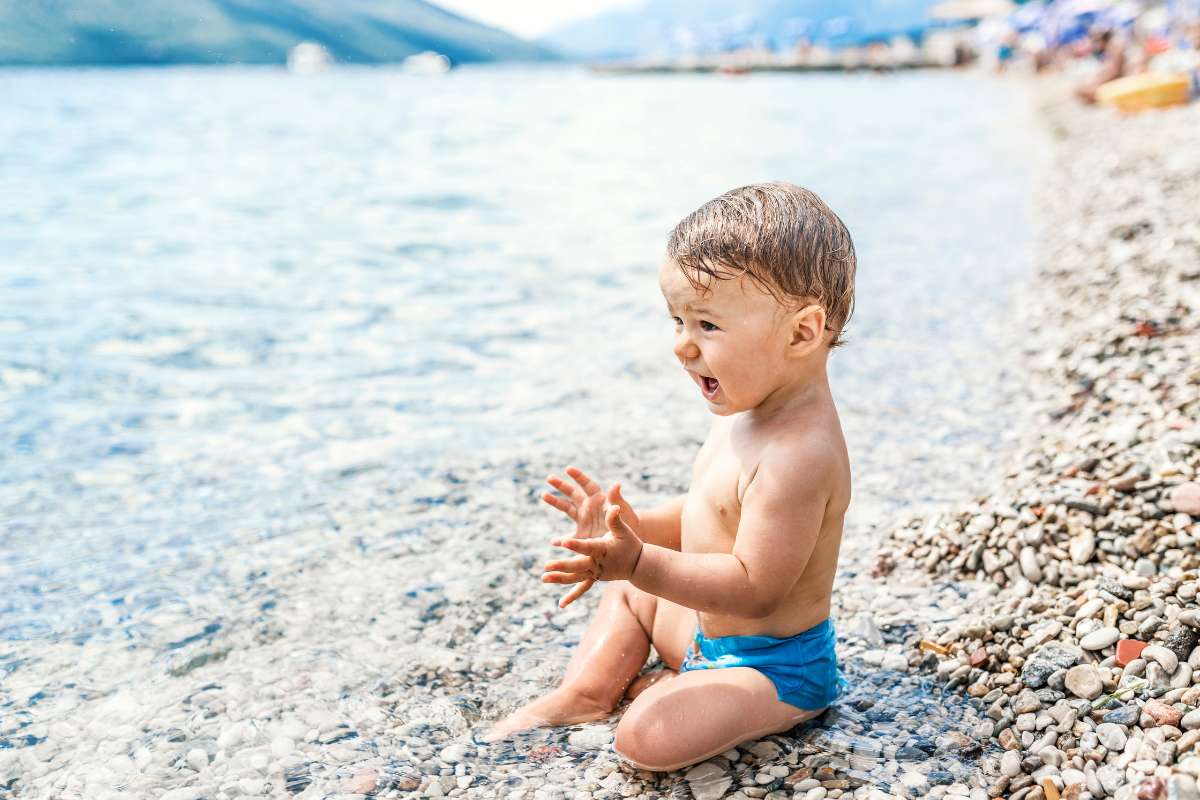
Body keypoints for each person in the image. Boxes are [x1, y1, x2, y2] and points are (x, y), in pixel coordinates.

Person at [486, 182, 855, 772]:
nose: (683, 346)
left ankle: (681, 697)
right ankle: (586, 693)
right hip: (708, 637)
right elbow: (708, 516)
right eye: (677, 320)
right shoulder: (746, 410)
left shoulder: (800, 454)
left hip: (774, 667)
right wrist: (630, 531)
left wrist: (639, 561)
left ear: (802, 333)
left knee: (646, 739)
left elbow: (756, 586)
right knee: (635, 593)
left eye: (707, 324)